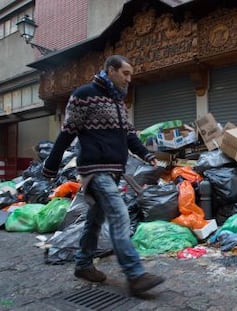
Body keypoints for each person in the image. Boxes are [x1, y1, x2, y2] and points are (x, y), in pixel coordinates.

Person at [42, 55, 165, 296]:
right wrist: (52, 164)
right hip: (94, 170)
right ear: (111, 70)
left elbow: (128, 135)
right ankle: (135, 275)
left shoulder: (118, 102)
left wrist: (147, 155)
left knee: (95, 220)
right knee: (120, 215)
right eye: (125, 73)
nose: (129, 79)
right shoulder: (83, 95)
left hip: (114, 170)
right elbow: (68, 132)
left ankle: (83, 265)